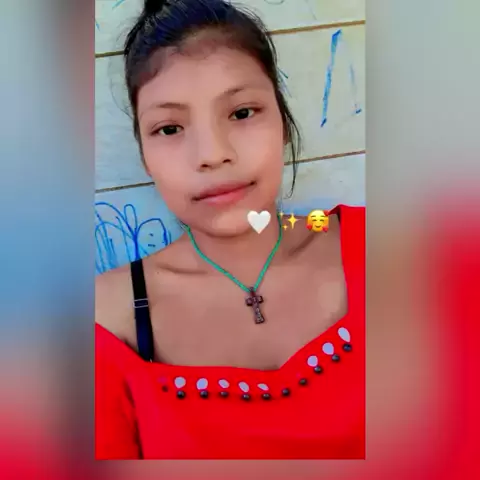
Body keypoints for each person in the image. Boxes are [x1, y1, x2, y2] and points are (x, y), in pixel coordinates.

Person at [95, 0, 365, 459]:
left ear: (283, 122)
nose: (212, 154)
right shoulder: (104, 323)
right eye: (169, 128)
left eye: (241, 113)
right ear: (143, 157)